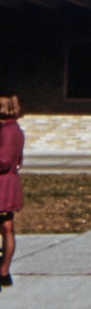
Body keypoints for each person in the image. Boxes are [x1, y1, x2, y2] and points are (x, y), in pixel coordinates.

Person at [0, 94, 24, 290]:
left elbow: (4, 160)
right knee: (7, 227)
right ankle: (4, 271)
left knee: (6, 227)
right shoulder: (16, 130)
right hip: (10, 182)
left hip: (2, 183)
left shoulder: (6, 131)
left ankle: (3, 270)